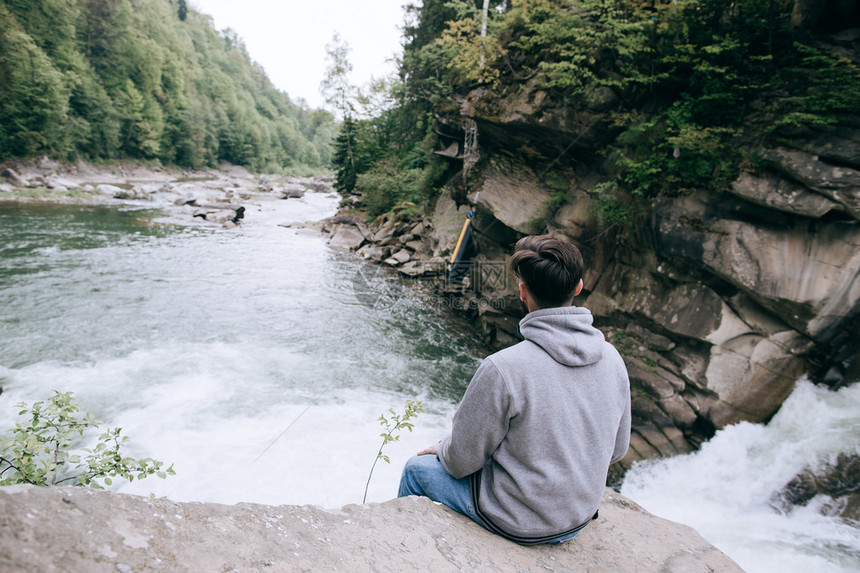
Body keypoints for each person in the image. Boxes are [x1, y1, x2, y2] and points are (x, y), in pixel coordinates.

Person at [398, 234, 631, 545]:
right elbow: (617, 450)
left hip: (520, 522)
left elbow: (460, 462)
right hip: (579, 517)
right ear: (578, 287)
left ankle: (411, 552)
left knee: (417, 468)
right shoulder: (612, 357)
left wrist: (443, 447)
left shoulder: (503, 367)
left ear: (523, 292)